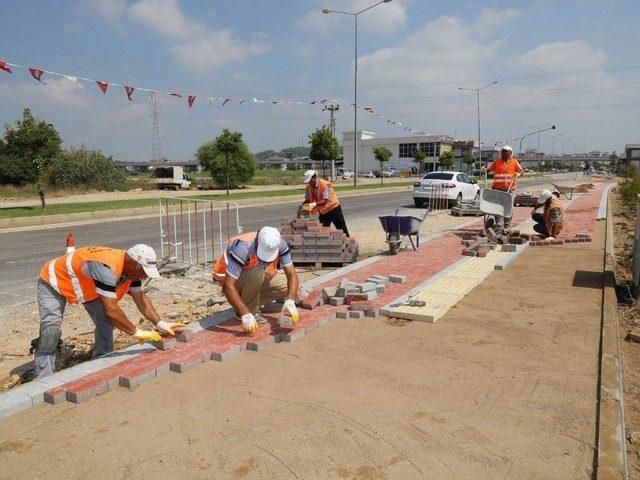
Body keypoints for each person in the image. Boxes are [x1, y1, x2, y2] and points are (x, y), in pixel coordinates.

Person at [35, 244, 182, 378]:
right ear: (133, 263)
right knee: (51, 329)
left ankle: (101, 360)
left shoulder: (131, 271)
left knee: (105, 321)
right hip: (54, 281)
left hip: (85, 289)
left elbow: (140, 299)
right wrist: (137, 332)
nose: (144, 276)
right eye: (143, 271)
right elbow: (111, 310)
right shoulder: (105, 267)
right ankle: (43, 378)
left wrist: (161, 323)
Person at [212, 227, 300, 335]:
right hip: (227, 278)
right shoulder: (243, 247)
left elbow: (292, 274)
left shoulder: (278, 244)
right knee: (257, 273)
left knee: (288, 287)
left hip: (254, 276)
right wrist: (245, 313)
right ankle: (246, 310)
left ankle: (243, 299)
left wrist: (290, 300)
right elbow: (228, 286)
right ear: (257, 240)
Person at [301, 170, 350, 236]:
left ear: (314, 177)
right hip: (323, 211)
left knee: (341, 228)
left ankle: (348, 244)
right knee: (322, 231)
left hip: (334, 208)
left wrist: (314, 204)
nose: (309, 183)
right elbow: (307, 200)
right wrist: (303, 207)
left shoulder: (324, 184)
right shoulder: (308, 187)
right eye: (308, 181)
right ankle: (326, 245)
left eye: (310, 181)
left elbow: (325, 201)